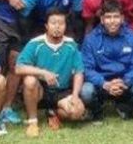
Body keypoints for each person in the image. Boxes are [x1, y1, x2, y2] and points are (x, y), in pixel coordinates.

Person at [15, 9, 85, 138]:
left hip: (62, 91)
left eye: (61, 23)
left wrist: (75, 95)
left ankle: (53, 113)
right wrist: (43, 73)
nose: (57, 27)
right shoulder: (35, 43)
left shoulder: (71, 45)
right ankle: (33, 122)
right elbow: (18, 68)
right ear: (46, 26)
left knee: (77, 112)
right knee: (29, 80)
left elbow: (79, 72)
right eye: (53, 23)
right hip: (40, 90)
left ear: (65, 26)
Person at [79, 0, 133, 120]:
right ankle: (97, 110)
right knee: (85, 92)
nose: (112, 21)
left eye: (116, 17)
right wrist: (104, 83)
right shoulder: (91, 39)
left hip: (124, 82)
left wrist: (125, 81)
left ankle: (125, 107)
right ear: (102, 20)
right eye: (108, 17)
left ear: (122, 18)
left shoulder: (132, 37)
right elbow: (87, 68)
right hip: (100, 82)